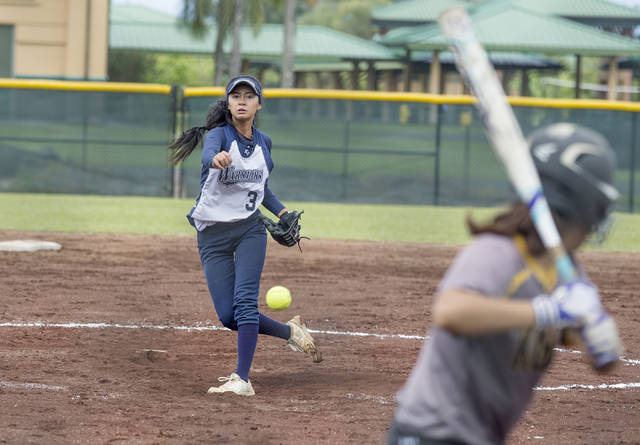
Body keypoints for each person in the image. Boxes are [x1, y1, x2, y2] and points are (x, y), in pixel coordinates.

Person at [387, 123, 624, 445]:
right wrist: (548, 311)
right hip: (431, 433)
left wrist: (599, 341)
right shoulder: (498, 253)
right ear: (581, 204)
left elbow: (592, 351)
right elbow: (450, 312)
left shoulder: (566, 275)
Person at [167, 74, 322, 397]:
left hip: (250, 230)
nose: (241, 101)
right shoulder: (218, 136)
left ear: (258, 104)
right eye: (235, 96)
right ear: (228, 103)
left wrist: (282, 213)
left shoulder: (264, 142)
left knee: (245, 302)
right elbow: (209, 155)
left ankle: (242, 378)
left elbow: (261, 188)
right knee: (228, 316)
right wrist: (217, 159)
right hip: (212, 235)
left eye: (248, 96)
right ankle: (291, 332)